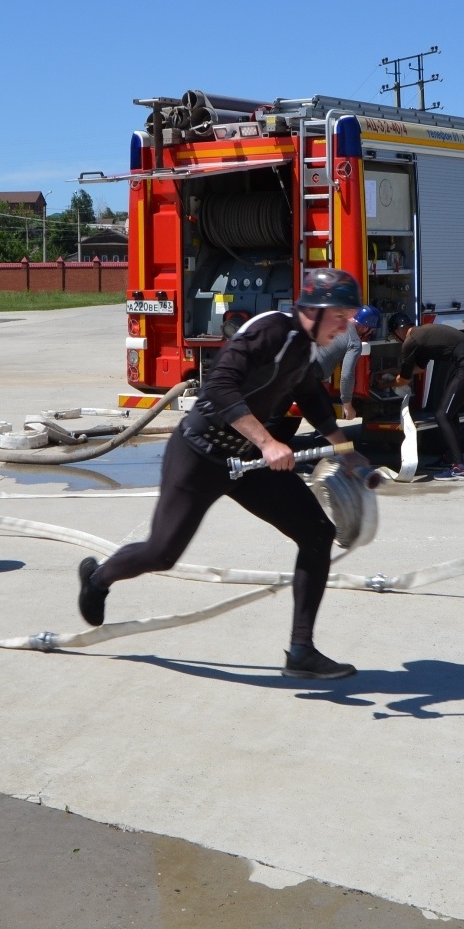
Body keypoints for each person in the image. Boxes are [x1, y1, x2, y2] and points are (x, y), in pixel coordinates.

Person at [76, 267, 371, 679]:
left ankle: (301, 651)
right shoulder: (270, 331)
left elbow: (308, 394)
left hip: (246, 463)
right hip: (198, 454)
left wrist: (345, 449)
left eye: (349, 316)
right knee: (162, 553)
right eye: (340, 316)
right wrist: (268, 442)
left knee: (317, 533)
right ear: (314, 310)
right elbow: (217, 387)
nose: (346, 326)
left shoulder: (304, 348)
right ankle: (98, 577)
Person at [385, 313, 464, 480]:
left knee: (442, 415)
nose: (396, 340)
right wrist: (389, 372)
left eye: (393, 336)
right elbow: (419, 368)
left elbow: (405, 379)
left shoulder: (411, 342)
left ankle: (460, 467)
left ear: (398, 330)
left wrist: (385, 383)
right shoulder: (422, 335)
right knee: (449, 412)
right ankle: (450, 458)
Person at [314, 304, 382, 416]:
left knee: (278, 412)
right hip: (311, 376)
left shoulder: (335, 322)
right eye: (371, 330)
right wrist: (347, 405)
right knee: (328, 417)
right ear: (365, 327)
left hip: (295, 367)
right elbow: (347, 375)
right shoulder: (355, 342)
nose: (370, 333)